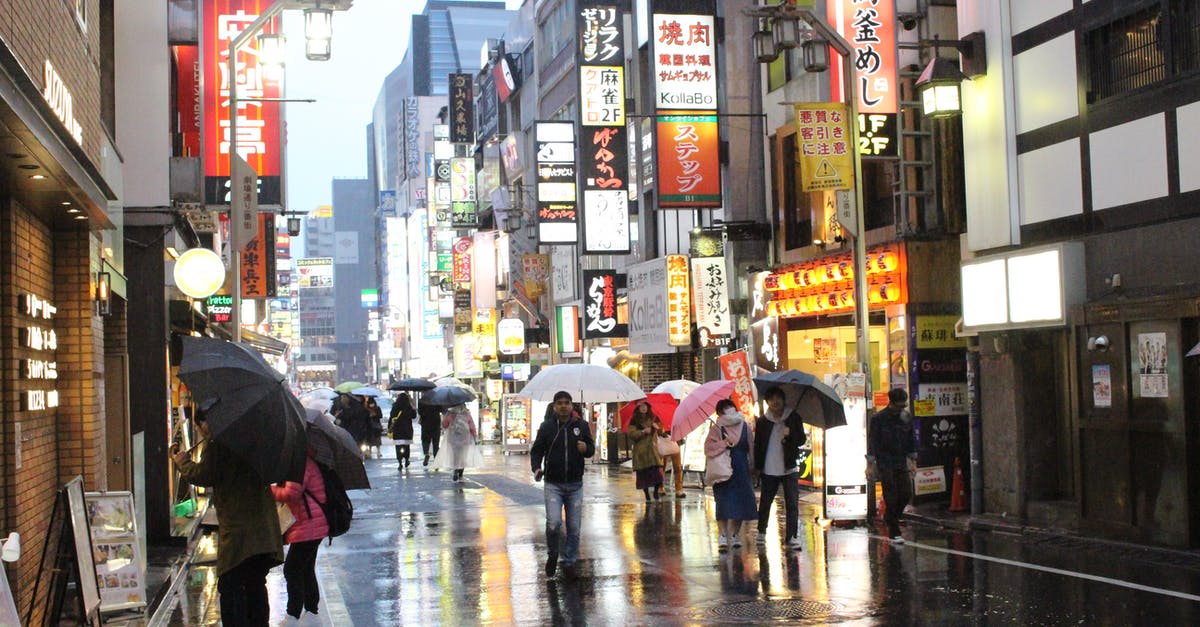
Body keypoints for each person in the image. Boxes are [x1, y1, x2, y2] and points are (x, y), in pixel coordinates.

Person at [171, 410, 283, 627]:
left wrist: (182, 461)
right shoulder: (256, 442)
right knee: (256, 584)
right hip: (264, 531)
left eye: (199, 425)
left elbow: (202, 475)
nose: (200, 430)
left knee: (231, 587)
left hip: (240, 535)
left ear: (205, 423)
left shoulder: (220, 445)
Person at [530, 391, 595, 580]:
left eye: (567, 403)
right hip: (553, 484)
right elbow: (537, 451)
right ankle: (553, 553)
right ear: (554, 406)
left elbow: (590, 449)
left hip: (575, 484)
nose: (564, 406)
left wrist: (586, 449)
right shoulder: (547, 427)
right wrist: (536, 468)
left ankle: (569, 561)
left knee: (574, 528)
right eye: (560, 403)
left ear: (572, 405)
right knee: (554, 523)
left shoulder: (581, 426)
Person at [270, 451, 329, 622]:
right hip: (310, 523)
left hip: (309, 525)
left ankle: (294, 613)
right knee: (305, 568)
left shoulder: (301, 464)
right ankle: (311, 610)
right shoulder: (302, 461)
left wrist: (269, 490)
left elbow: (291, 493)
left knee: (292, 568)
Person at [754, 386, 808, 551]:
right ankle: (761, 531)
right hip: (769, 468)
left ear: (784, 400)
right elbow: (758, 445)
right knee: (765, 502)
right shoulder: (763, 421)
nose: (775, 402)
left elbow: (801, 440)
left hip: (789, 468)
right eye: (771, 399)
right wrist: (757, 467)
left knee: (792, 503)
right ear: (767, 402)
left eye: (778, 398)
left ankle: (792, 536)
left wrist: (790, 434)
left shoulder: (793, 417)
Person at [706, 399, 757, 551]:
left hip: (741, 467)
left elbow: (750, 446)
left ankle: (734, 534)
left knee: (741, 501)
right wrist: (723, 444)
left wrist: (753, 466)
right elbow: (708, 448)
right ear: (719, 413)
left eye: (730, 407)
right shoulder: (716, 428)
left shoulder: (744, 425)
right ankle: (722, 534)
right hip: (722, 469)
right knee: (723, 501)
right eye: (724, 409)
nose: (729, 411)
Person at [867, 388, 917, 542]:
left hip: (900, 461)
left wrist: (913, 460)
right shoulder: (879, 419)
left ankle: (891, 517)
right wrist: (870, 464)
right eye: (899, 406)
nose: (901, 409)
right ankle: (894, 531)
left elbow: (910, 440)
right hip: (885, 461)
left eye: (903, 406)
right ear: (891, 402)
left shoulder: (906, 418)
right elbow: (873, 442)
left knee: (906, 493)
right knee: (891, 495)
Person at [626, 400, 665, 502]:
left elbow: (661, 431)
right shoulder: (634, 420)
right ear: (638, 408)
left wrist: (657, 429)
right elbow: (631, 434)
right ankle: (647, 495)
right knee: (643, 476)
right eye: (641, 406)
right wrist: (643, 431)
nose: (644, 408)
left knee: (657, 474)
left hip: (652, 450)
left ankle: (656, 491)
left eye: (645, 406)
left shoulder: (652, 418)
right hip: (641, 452)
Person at [433, 403, 481, 482]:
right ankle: (460, 472)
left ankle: (455, 469)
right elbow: (472, 426)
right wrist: (474, 436)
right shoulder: (466, 414)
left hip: (452, 438)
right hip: (464, 438)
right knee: (463, 455)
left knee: (455, 454)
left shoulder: (450, 413)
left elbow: (444, 425)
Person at [389, 393, 417, 470]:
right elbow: (414, 416)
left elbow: (392, 417)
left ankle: (400, 462)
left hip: (398, 430)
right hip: (407, 430)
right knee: (406, 446)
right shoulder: (408, 406)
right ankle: (407, 459)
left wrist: (389, 427)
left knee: (398, 446)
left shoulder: (395, 406)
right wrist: (413, 407)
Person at [418, 401, 442, 467]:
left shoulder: (422, 400)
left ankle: (426, 454)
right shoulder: (436, 400)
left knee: (425, 441)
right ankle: (436, 460)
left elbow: (420, 412)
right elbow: (441, 409)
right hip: (435, 424)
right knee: (435, 443)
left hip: (425, 424)